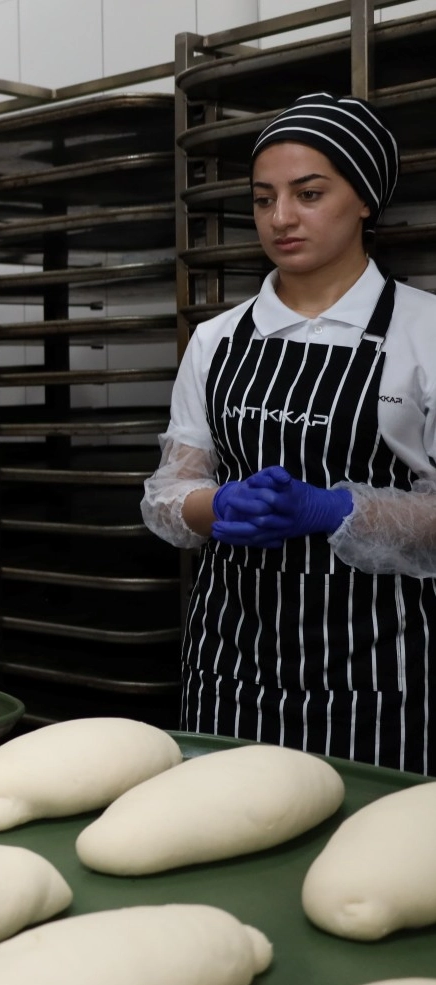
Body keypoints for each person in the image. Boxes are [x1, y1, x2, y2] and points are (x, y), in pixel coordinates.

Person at [143, 92, 434, 775]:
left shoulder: (423, 332)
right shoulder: (217, 340)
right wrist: (213, 507)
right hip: (234, 663)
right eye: (263, 198)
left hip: (384, 673)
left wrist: (334, 508)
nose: (280, 219)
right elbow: (166, 489)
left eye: (308, 194)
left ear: (364, 199)